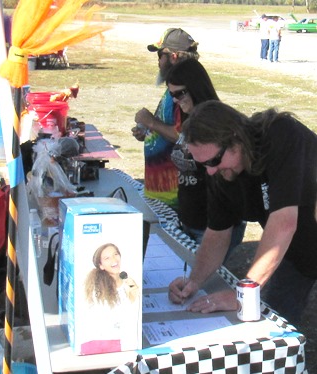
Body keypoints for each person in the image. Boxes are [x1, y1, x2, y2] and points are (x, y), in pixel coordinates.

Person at [168, 100, 317, 327]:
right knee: (276, 322)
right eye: (203, 164)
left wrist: (242, 292)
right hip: (297, 251)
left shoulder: (281, 135)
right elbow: (218, 232)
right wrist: (194, 281)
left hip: (296, 233)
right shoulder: (220, 172)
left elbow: (284, 222)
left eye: (214, 160)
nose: (210, 170)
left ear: (236, 137)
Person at [165, 59, 246, 251]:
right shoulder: (187, 117)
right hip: (189, 218)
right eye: (171, 94)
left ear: (196, 87)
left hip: (214, 225)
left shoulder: (215, 122)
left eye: (180, 93)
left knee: (204, 279)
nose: (175, 100)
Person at [132, 28, 199, 208]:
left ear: (173, 57)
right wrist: (148, 131)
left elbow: (184, 137)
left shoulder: (184, 91)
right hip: (163, 193)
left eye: (160, 55)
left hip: (174, 196)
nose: (159, 62)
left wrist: (151, 122)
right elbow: (170, 126)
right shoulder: (177, 86)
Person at [81, 243, 140, 354]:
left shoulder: (127, 281)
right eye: (107, 258)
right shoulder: (98, 288)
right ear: (101, 265)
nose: (113, 259)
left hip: (122, 341)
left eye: (115, 254)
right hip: (103, 343)